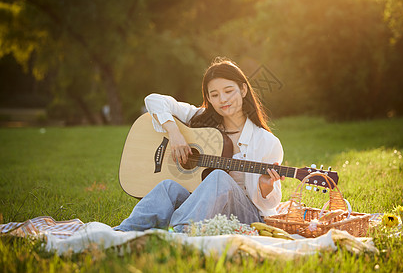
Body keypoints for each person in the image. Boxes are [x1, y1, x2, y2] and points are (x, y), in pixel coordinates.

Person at [114, 57, 284, 232]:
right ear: (208, 98)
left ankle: (179, 233)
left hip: (243, 216)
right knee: (168, 186)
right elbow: (154, 100)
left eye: (228, 91)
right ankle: (123, 231)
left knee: (219, 177)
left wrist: (266, 187)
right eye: (215, 95)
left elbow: (271, 204)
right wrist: (174, 133)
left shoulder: (267, 142)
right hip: (202, 209)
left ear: (243, 90)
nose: (223, 99)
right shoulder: (201, 119)